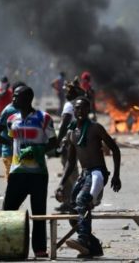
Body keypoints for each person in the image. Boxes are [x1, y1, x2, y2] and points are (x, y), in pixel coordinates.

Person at [55, 96, 121, 258]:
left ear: (88, 111)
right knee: (72, 209)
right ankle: (94, 246)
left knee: (82, 200)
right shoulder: (71, 133)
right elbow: (71, 163)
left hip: (98, 172)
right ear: (74, 110)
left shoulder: (95, 128)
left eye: (84, 108)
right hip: (84, 174)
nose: (80, 111)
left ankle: (83, 240)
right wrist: (61, 184)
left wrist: (116, 175)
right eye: (77, 108)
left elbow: (115, 149)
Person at [3, 86, 57, 257]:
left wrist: (38, 150)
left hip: (38, 173)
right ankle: (9, 246)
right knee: (9, 211)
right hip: (17, 171)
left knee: (39, 212)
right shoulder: (11, 118)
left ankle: (40, 249)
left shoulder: (44, 118)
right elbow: (13, 141)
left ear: (27, 99)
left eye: (16, 97)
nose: (13, 99)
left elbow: (54, 142)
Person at [54, 78, 84, 213]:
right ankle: (67, 202)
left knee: (71, 172)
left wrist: (57, 141)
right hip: (73, 142)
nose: (65, 93)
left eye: (68, 91)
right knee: (69, 172)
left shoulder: (69, 105)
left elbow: (65, 124)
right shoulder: (77, 105)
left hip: (67, 143)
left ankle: (77, 200)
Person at [0, 81, 26, 180]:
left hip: (23, 154)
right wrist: (11, 143)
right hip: (9, 154)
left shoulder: (26, 110)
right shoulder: (9, 111)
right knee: (13, 186)